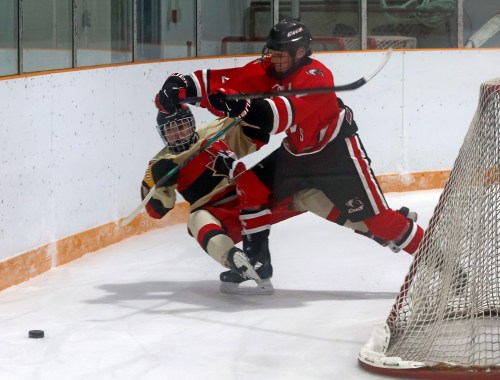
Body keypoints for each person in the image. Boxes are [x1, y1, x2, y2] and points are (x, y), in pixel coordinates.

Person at [153, 19, 425, 286]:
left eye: (281, 54)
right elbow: (225, 80)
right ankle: (258, 263)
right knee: (251, 184)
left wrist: (239, 106)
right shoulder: (268, 69)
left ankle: (436, 257)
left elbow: (277, 118)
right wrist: (179, 85)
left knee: (380, 223)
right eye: (271, 52)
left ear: (300, 53)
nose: (274, 59)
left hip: (336, 155)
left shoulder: (316, 78)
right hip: (295, 155)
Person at [143, 104, 417, 295]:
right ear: (162, 134)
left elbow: (257, 134)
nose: (178, 133)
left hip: (250, 195)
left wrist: (244, 110)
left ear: (190, 122)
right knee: (195, 220)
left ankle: (383, 232)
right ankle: (238, 262)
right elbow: (156, 211)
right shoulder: (160, 163)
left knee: (307, 195)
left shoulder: (214, 130)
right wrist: (158, 183)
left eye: (181, 126)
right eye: (171, 130)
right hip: (219, 214)